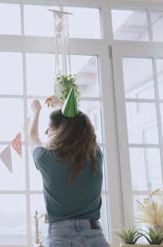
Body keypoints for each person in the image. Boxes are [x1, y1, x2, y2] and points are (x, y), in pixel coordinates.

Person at [29, 88, 108, 247]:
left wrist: (35, 112)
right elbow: (81, 128)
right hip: (94, 235)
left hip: (59, 236)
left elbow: (32, 136)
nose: (46, 131)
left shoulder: (45, 158)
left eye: (50, 128)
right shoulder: (95, 155)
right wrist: (62, 105)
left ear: (60, 132)